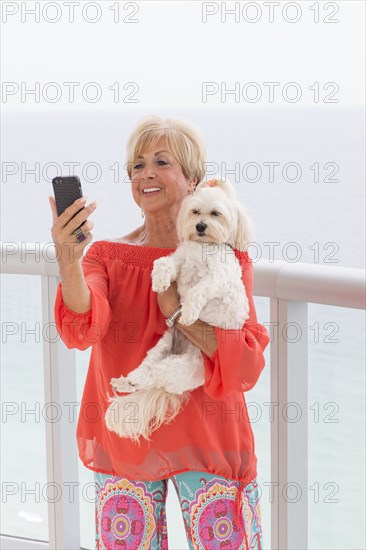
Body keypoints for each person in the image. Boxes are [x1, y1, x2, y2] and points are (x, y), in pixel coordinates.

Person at [49, 115, 270, 550]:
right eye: (137, 164)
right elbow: (81, 327)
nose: (145, 173)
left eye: (161, 162)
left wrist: (176, 312)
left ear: (194, 181)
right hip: (127, 432)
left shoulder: (228, 257)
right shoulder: (107, 256)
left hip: (210, 435)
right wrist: (69, 261)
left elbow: (244, 363)